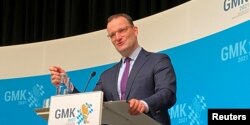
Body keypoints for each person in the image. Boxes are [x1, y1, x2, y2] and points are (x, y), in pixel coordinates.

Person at [49, 13, 177, 125]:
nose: (117, 37)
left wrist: (143, 104)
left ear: (135, 30)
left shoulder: (157, 60)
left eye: (122, 30)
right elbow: (89, 105)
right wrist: (66, 82)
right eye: (112, 35)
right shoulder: (107, 76)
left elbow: (167, 93)